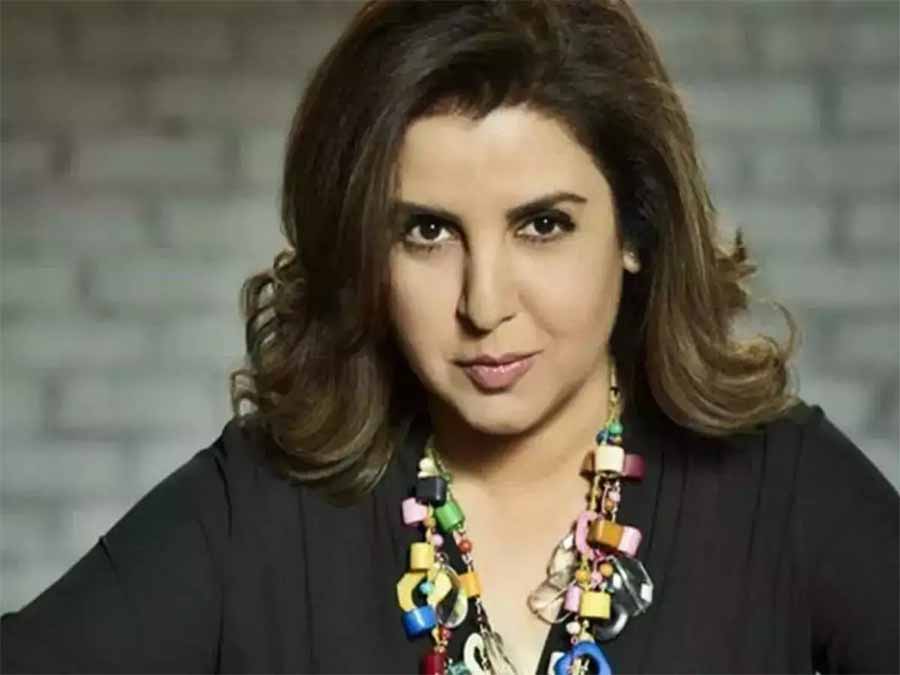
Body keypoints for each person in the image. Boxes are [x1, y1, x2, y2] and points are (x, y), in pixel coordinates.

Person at [2, 1, 898, 673]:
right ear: (367, 247)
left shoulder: (785, 489)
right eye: (427, 231)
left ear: (635, 229)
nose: (484, 302)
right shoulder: (260, 509)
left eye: (542, 225)